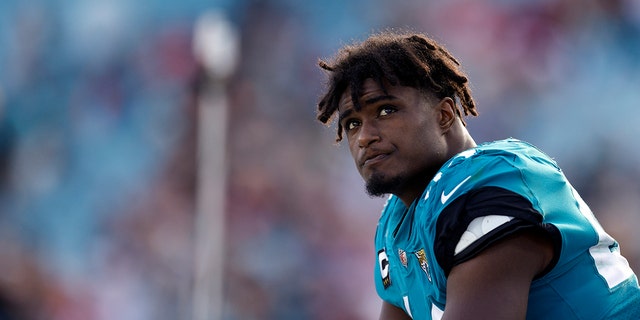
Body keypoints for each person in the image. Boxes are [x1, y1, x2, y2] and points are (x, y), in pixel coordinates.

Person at [315, 30, 640, 320]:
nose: (364, 136)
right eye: (352, 123)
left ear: (444, 115)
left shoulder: (488, 181)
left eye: (385, 110)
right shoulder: (396, 224)